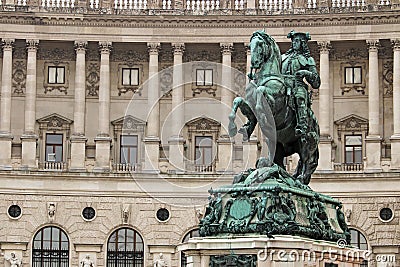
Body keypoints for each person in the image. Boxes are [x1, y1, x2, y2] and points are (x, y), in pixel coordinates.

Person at [282, 30, 321, 138]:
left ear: (302, 43)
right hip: (283, 85)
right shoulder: (283, 58)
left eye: (297, 41)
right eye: (293, 41)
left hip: (297, 85)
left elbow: (316, 81)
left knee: (300, 97)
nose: (294, 43)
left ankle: (302, 126)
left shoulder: (308, 60)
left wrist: (305, 72)